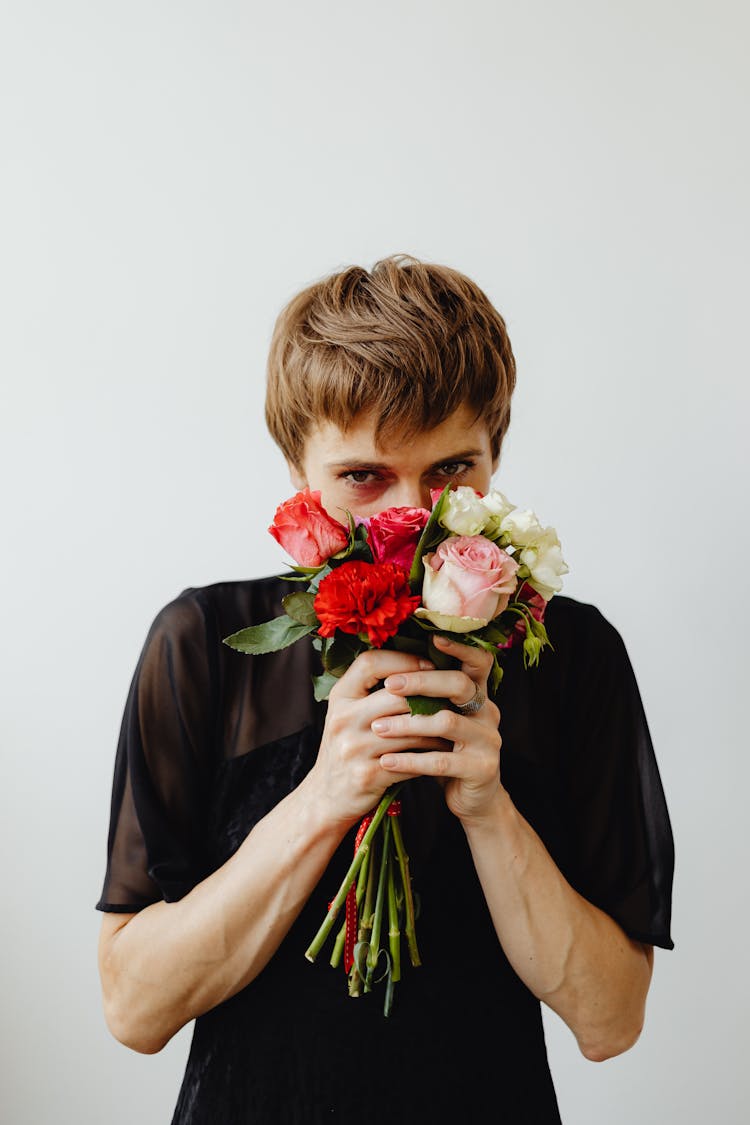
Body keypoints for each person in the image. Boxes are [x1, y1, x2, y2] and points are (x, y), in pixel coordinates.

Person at [96, 254, 675, 1124]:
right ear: (300, 473)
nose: (413, 517)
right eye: (365, 477)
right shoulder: (205, 645)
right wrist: (325, 797)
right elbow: (135, 1009)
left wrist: (489, 808)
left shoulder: (575, 653)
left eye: (450, 472)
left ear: (495, 458)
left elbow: (610, 1017)